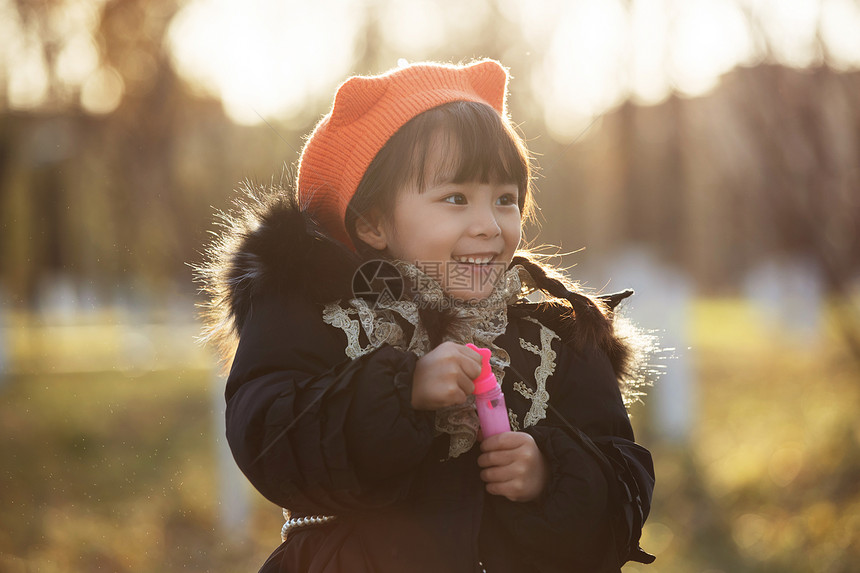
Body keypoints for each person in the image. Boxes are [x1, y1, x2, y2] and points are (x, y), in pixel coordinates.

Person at [198, 59, 656, 573]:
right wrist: (400, 389)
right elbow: (269, 438)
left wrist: (551, 473)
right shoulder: (323, 322)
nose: (488, 225)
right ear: (373, 222)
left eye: (505, 200)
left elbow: (626, 483)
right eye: (455, 198)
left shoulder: (557, 339)